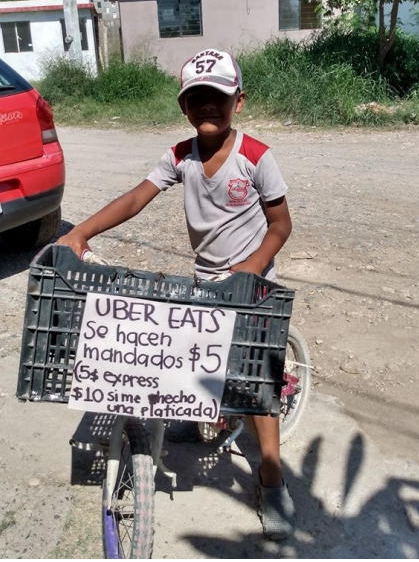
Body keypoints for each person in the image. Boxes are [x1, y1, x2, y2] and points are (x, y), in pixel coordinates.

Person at [58, 48, 297, 536]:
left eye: (219, 98)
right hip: (206, 280)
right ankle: (196, 412)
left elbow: (280, 225)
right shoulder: (179, 156)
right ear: (184, 107)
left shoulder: (256, 157)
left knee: (256, 380)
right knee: (188, 354)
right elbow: (135, 198)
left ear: (239, 102)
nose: (208, 106)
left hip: (251, 284)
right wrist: (80, 232)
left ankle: (272, 477)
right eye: (197, 99)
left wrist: (250, 268)